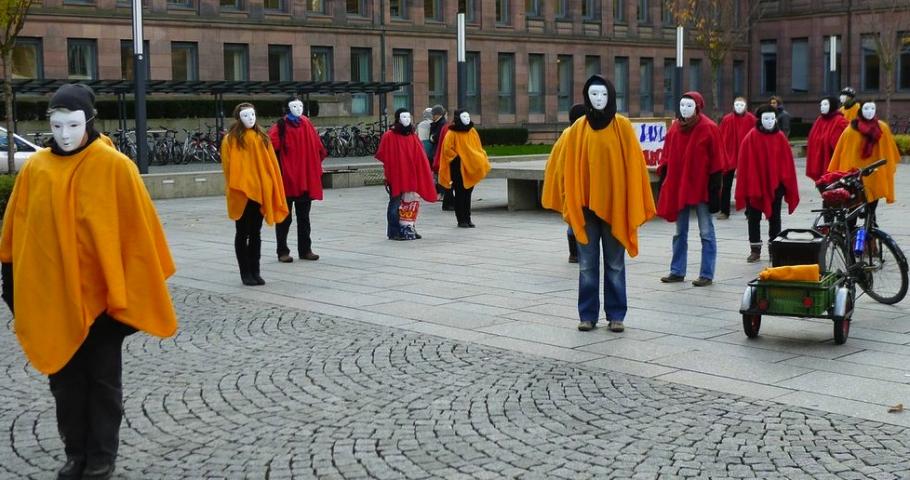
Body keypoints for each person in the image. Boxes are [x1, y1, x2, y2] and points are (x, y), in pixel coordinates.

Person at [0, 83, 179, 480]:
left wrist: (124, 308)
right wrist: (12, 289)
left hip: (103, 306)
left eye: (73, 125)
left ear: (90, 122)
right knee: (64, 384)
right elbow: (16, 237)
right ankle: (75, 452)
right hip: (54, 301)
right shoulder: (37, 169)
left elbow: (139, 238)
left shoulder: (114, 166)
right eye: (57, 125)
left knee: (102, 383)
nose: (64, 134)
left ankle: (101, 455)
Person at [542, 74, 656, 333]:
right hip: (585, 208)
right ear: (586, 97)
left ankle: (616, 315)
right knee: (587, 265)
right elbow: (566, 165)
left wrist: (630, 201)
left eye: (604, 94)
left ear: (612, 96)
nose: (599, 99)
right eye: (594, 94)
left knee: (615, 264)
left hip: (614, 207)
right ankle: (587, 315)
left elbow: (635, 167)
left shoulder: (623, 127)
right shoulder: (577, 129)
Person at [657, 91, 725, 287]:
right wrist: (665, 181)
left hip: (702, 188)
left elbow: (717, 161)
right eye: (682, 105)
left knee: (706, 231)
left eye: (689, 106)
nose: (684, 109)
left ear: (697, 108)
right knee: (680, 232)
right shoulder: (675, 129)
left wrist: (715, 191)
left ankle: (707, 273)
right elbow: (667, 157)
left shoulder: (709, 128)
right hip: (681, 187)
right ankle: (677, 271)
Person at [222, 102, 289, 286]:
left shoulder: (262, 137)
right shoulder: (231, 140)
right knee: (242, 233)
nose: (250, 119)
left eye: (252, 115)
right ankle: (246, 272)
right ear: (238, 118)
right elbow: (229, 168)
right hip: (242, 193)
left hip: (259, 192)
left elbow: (271, 165)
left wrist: (270, 185)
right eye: (246, 115)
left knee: (255, 233)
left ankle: (255, 270)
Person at [735, 104, 801, 263]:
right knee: (753, 217)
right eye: (766, 118)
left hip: (776, 185)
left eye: (772, 118)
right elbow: (744, 163)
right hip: (754, 185)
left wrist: (786, 184)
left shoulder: (780, 138)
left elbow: (787, 164)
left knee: (775, 217)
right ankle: (755, 249)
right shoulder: (751, 137)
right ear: (760, 119)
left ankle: (774, 248)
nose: (770, 121)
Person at [268, 95, 326, 263]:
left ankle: (305, 249)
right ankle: (282, 251)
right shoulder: (280, 126)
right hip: (287, 179)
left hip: (305, 179)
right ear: (288, 108)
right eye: (295, 106)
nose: (298, 109)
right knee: (284, 218)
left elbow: (318, 147)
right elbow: (270, 147)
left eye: (300, 106)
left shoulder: (307, 123)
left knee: (304, 218)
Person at [829, 100, 900, 218]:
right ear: (860, 110)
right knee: (852, 204)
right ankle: (850, 228)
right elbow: (843, 151)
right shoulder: (851, 129)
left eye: (872, 108)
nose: (869, 112)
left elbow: (889, 150)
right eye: (866, 108)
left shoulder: (882, 128)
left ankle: (871, 223)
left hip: (874, 171)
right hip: (854, 172)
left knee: (873, 199)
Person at [375, 108, 437, 240]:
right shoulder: (389, 136)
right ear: (398, 118)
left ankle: (409, 227)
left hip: (410, 175)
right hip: (396, 176)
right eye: (403, 117)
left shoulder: (412, 136)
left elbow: (420, 156)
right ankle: (394, 232)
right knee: (395, 203)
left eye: (408, 117)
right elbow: (384, 155)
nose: (407, 120)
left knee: (410, 202)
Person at [435, 109, 491, 228]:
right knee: (460, 193)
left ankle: (468, 218)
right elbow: (447, 150)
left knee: (468, 193)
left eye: (468, 116)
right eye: (464, 116)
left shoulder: (472, 131)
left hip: (470, 167)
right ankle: (461, 219)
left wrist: (479, 158)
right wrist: (459, 158)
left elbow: (477, 147)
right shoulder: (452, 133)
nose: (467, 118)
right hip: (458, 168)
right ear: (458, 118)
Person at [717, 97, 757, 220]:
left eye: (741, 105)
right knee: (726, 185)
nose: (739, 107)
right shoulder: (727, 119)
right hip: (729, 157)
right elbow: (721, 137)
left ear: (745, 106)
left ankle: (749, 211)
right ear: (733, 106)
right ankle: (724, 211)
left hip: (746, 157)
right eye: (737, 104)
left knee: (747, 184)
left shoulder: (752, 119)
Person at [564, 103, 587, 263]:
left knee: (573, 217)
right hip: (583, 185)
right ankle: (578, 251)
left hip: (570, 184)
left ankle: (574, 253)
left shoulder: (567, 134)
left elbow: (557, 162)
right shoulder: (583, 134)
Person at [805, 95, 849, 181]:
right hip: (820, 160)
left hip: (832, 161)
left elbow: (842, 143)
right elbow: (812, 139)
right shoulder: (820, 120)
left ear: (832, 105)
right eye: (821, 105)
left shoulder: (840, 121)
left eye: (825, 104)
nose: (822, 107)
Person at [429, 104, 455, 210]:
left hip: (442, 155)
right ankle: (448, 203)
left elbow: (437, 139)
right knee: (449, 181)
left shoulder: (443, 126)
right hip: (447, 157)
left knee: (446, 180)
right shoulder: (446, 126)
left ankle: (447, 202)